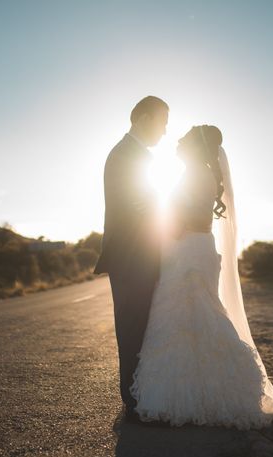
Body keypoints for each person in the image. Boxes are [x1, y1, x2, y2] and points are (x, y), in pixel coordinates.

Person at [129, 125, 273, 429]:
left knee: (193, 316)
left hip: (189, 248)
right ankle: (188, 393)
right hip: (189, 247)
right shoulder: (196, 172)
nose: (178, 139)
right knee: (185, 319)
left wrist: (155, 216)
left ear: (196, 146)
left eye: (185, 137)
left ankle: (202, 396)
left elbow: (193, 217)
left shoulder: (197, 174)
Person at [93, 96, 169, 419]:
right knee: (132, 325)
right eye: (162, 123)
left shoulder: (137, 155)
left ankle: (139, 393)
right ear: (142, 118)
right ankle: (134, 400)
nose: (164, 132)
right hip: (130, 255)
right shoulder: (126, 155)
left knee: (141, 326)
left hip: (139, 253)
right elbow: (140, 208)